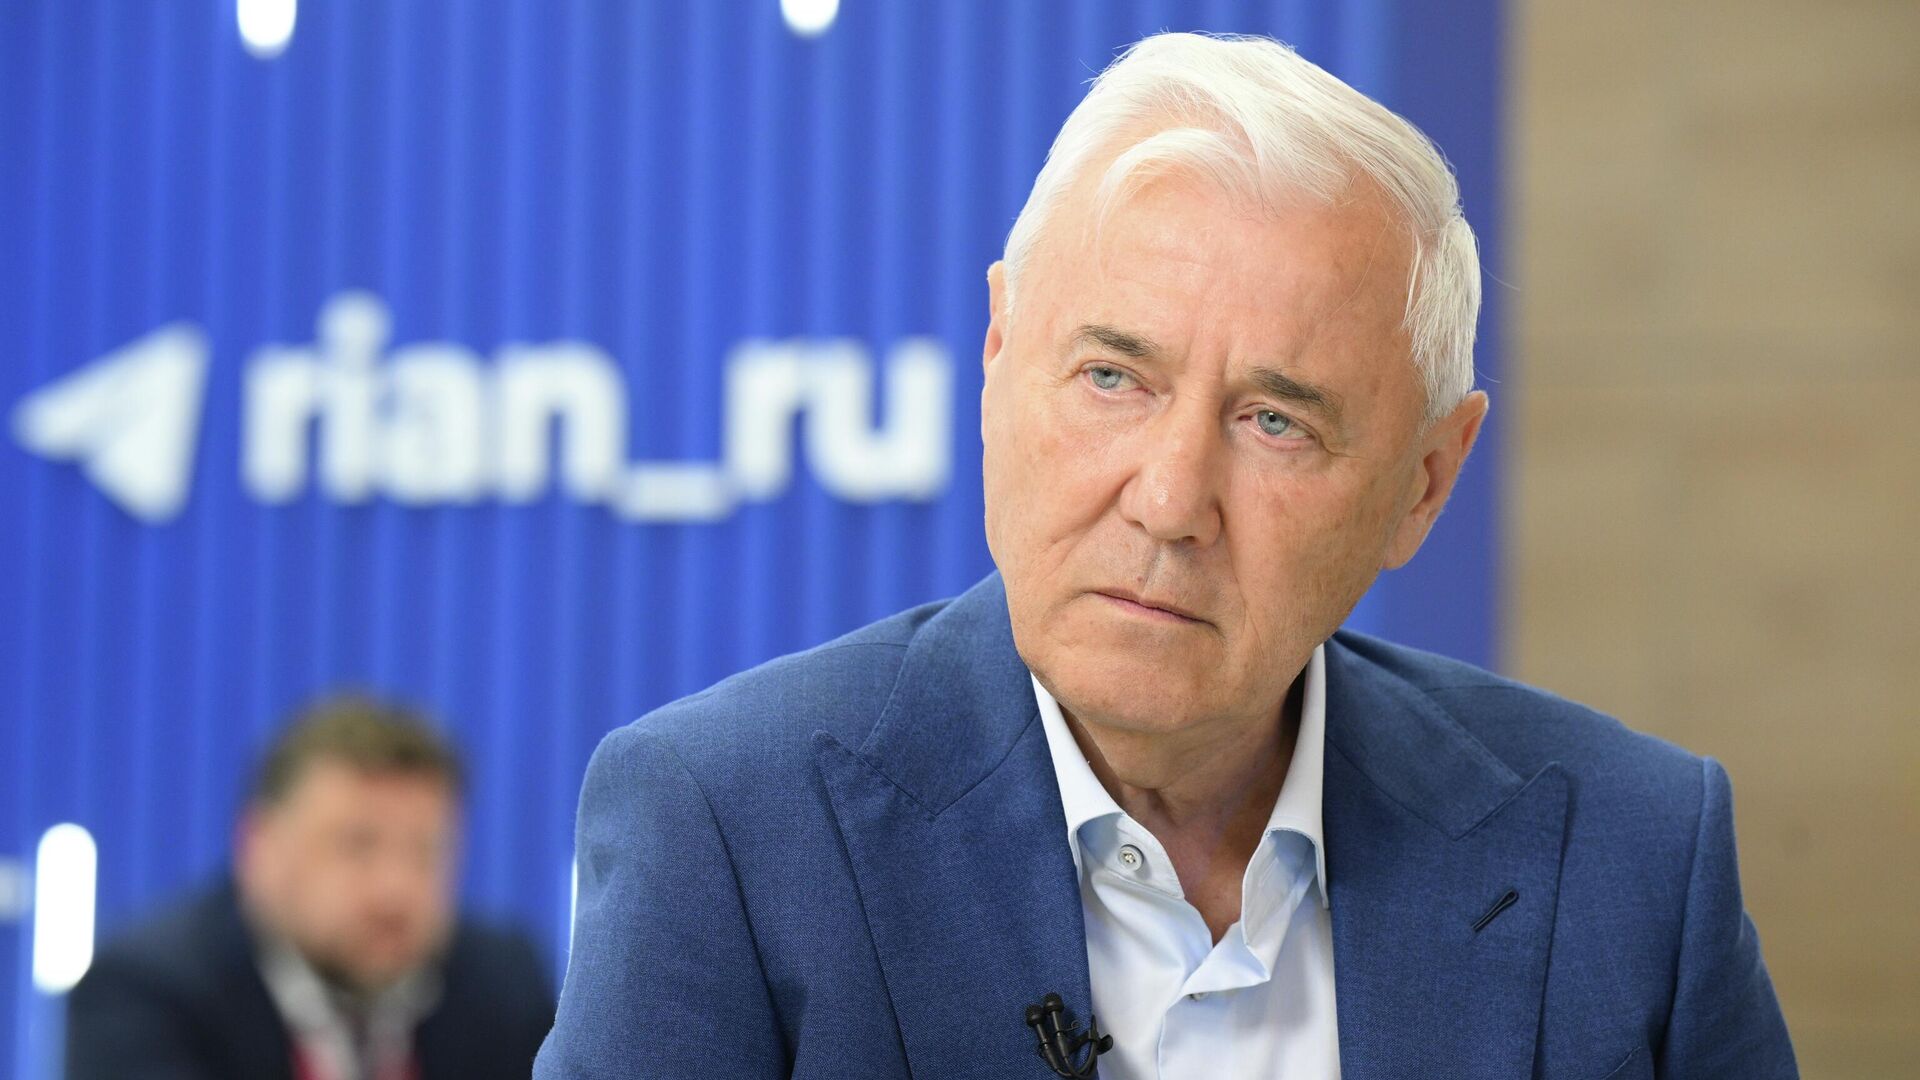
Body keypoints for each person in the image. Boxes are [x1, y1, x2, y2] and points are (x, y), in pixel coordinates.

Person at [535, 32, 1796, 1080]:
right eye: (1111, 377)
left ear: (1424, 483)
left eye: (1276, 421)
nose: (1171, 500)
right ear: (996, 362)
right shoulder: (730, 832)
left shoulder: (1632, 857)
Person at [66, 694, 556, 1080]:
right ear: (259, 848)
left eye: (425, 851)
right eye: (357, 845)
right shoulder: (146, 992)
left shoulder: (503, 986)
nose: (395, 890)